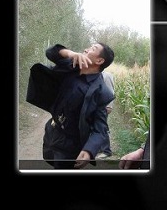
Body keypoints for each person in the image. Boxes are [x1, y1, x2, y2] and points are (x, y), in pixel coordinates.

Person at [38, 42, 115, 170]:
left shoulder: (101, 92)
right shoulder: (72, 66)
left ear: (99, 60)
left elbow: (100, 129)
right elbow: (51, 52)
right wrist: (70, 53)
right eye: (89, 46)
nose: (86, 49)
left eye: (92, 49)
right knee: (49, 159)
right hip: (51, 132)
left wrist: (89, 150)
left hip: (69, 146)